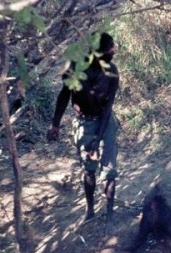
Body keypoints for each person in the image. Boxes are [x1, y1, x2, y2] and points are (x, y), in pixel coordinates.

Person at [47, 32, 119, 234]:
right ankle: (89, 211)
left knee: (109, 170)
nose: (113, 52)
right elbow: (64, 95)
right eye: (109, 50)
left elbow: (107, 108)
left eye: (113, 48)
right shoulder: (75, 69)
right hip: (84, 125)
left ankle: (110, 217)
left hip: (106, 124)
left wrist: (99, 139)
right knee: (89, 169)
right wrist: (55, 124)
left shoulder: (112, 72)